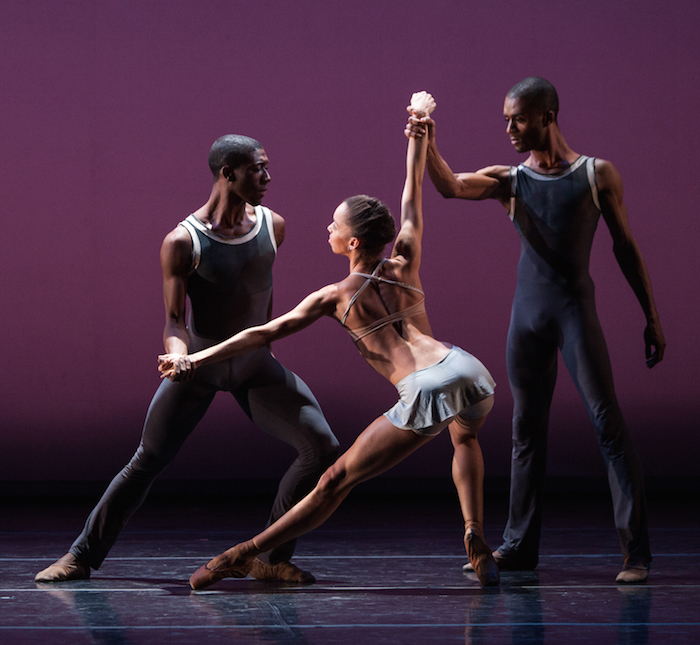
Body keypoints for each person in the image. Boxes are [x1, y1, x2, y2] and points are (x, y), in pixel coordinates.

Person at [159, 92, 500, 589]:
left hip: (425, 386)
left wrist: (198, 355)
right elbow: (412, 193)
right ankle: (475, 537)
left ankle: (242, 553)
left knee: (334, 482)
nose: (328, 228)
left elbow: (261, 332)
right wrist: (420, 130)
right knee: (464, 436)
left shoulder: (335, 296)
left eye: (335, 225)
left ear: (353, 242)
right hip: (469, 369)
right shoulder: (405, 257)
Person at [35, 134, 340, 584]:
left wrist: (263, 348)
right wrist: (177, 357)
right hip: (199, 368)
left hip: (255, 366)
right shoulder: (182, 240)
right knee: (146, 461)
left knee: (323, 449)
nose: (267, 178)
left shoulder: (273, 225)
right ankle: (81, 555)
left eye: (267, 167)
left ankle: (270, 557)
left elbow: (263, 298)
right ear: (228, 173)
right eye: (258, 168)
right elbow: (175, 320)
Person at [405, 77, 665, 584]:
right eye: (505, 118)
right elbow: (452, 187)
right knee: (525, 429)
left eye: (518, 118)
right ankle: (519, 548)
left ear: (547, 116)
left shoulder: (596, 174)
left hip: (573, 313)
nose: (509, 128)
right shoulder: (511, 180)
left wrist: (651, 315)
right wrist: (429, 142)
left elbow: (626, 248)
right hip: (528, 317)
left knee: (607, 425)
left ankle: (637, 553)